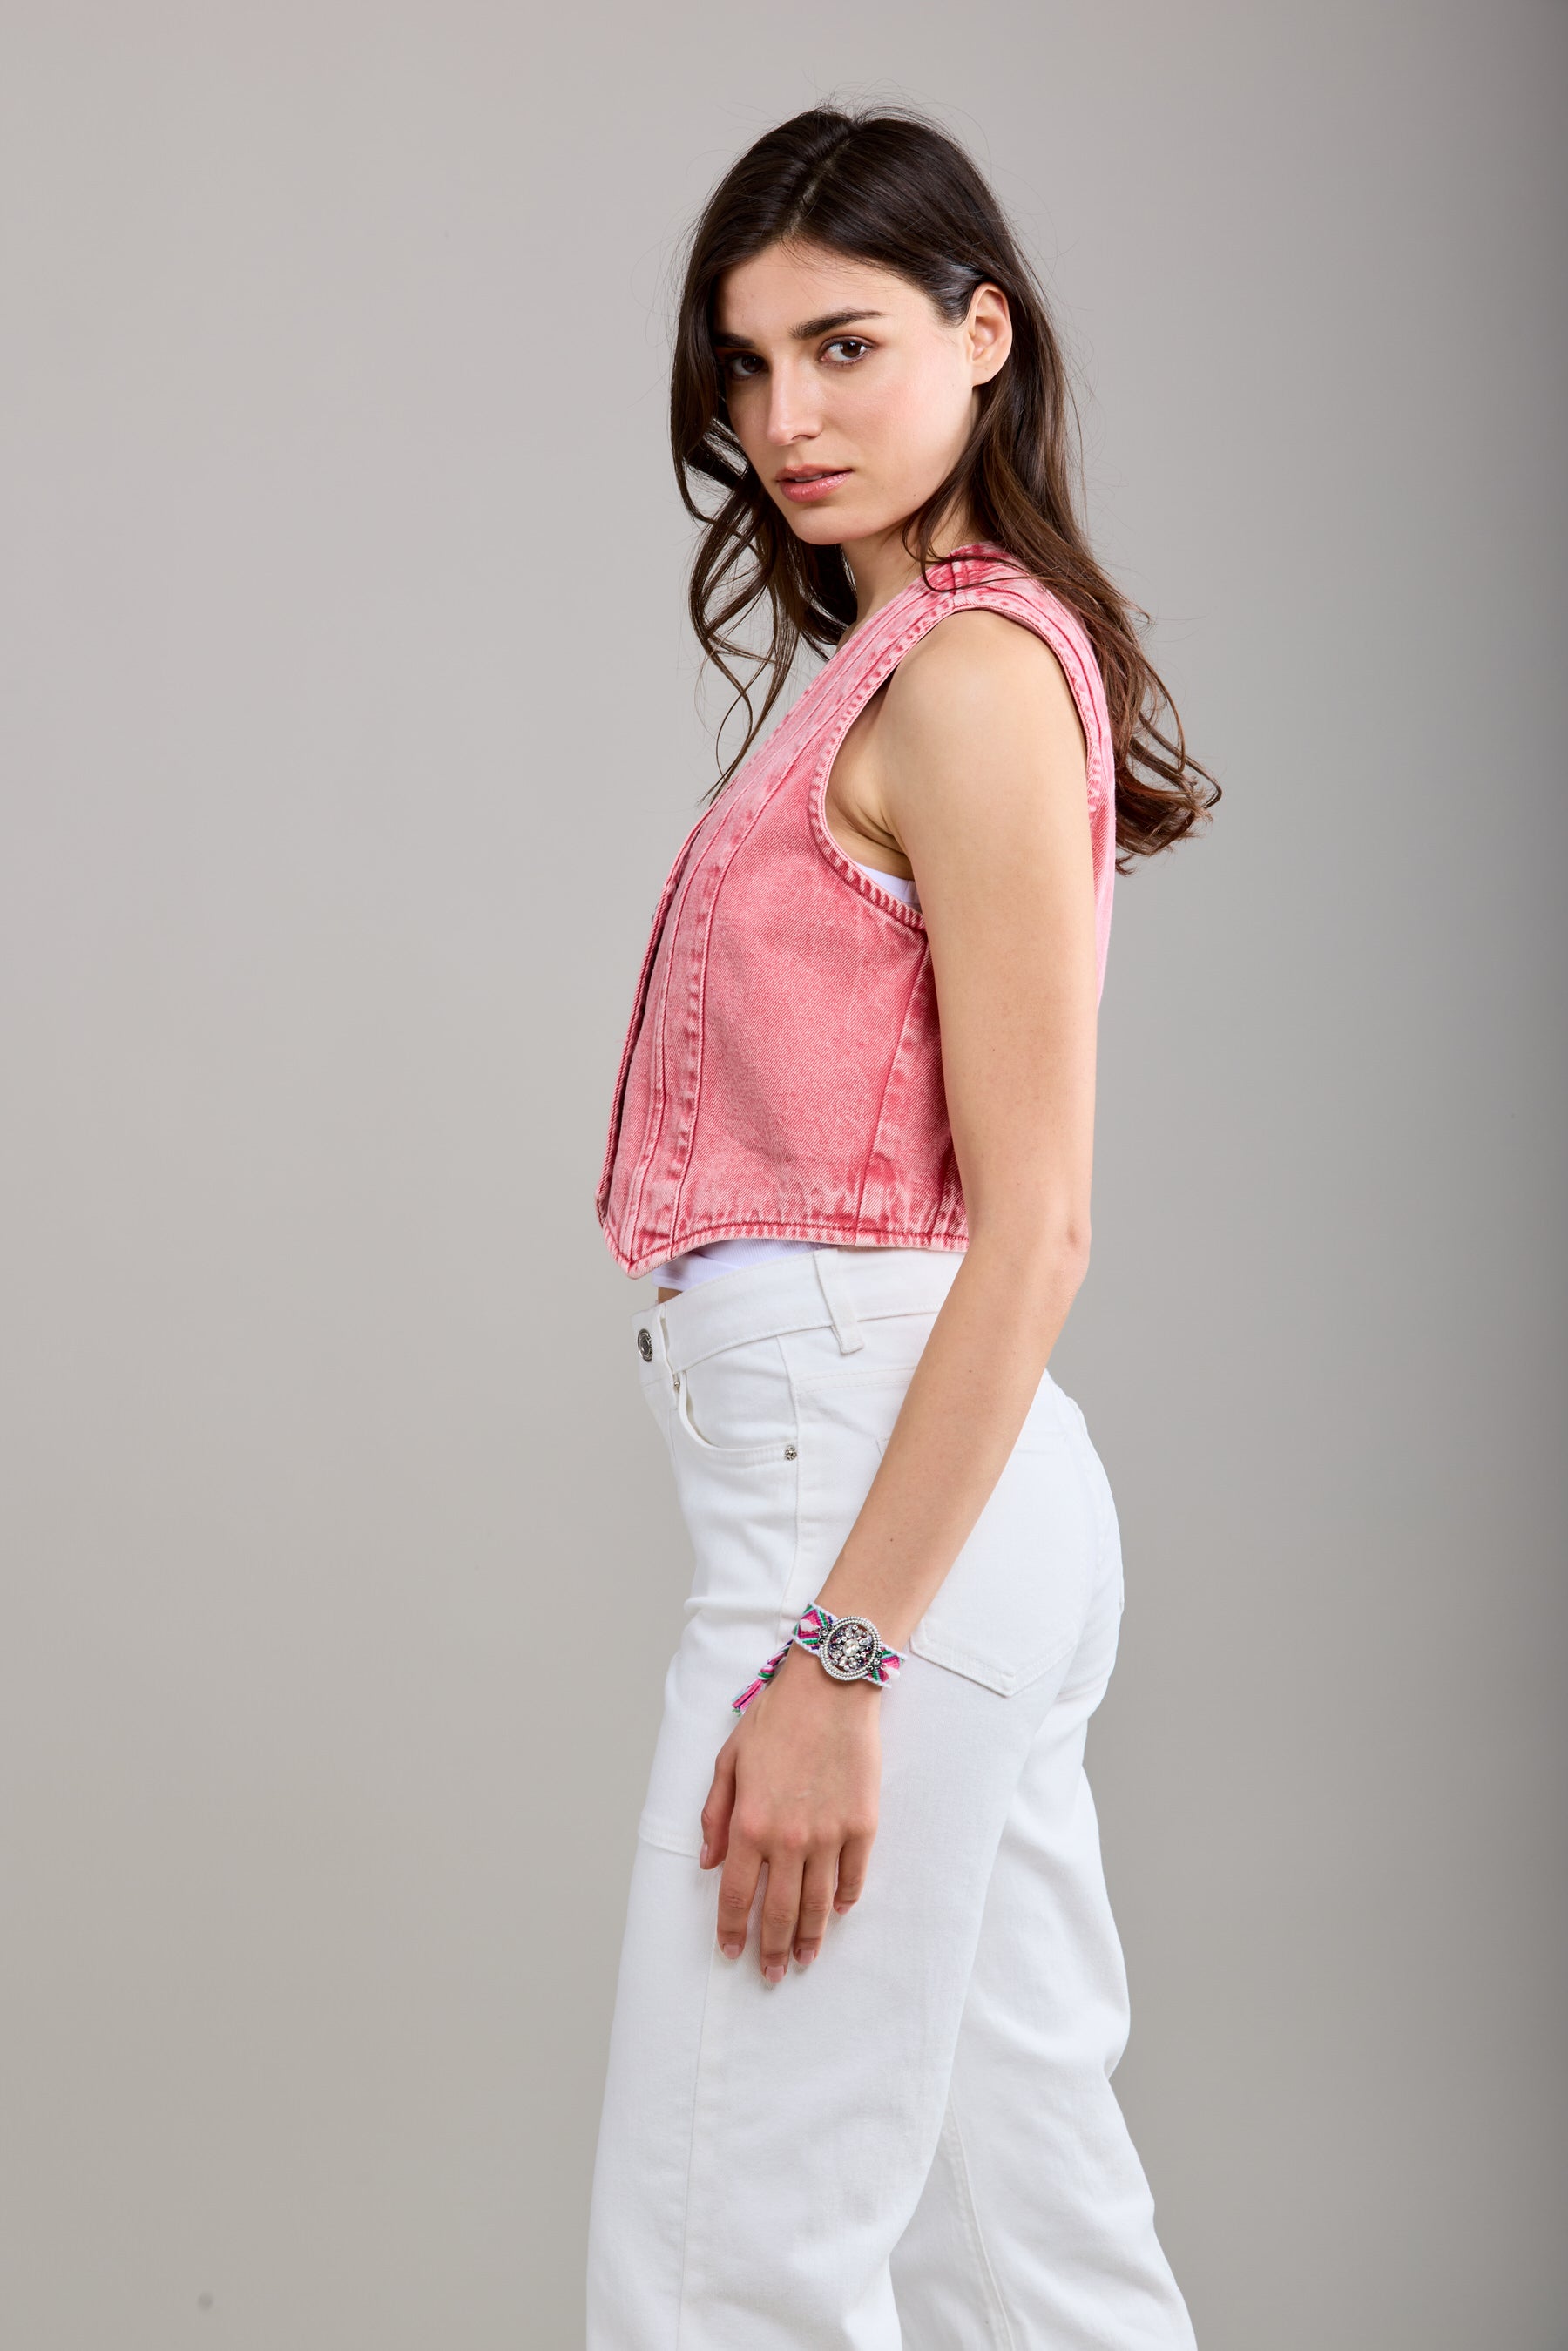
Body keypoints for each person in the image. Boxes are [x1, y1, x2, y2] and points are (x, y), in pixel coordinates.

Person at [585, 102, 1218, 2351]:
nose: (788, 417)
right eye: (748, 366)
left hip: (870, 1497)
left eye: (845, 346)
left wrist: (836, 1659)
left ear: (984, 334)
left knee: (720, 2262)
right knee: (1028, 2252)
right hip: (925, 1479)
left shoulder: (967, 671)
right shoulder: (900, 666)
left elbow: (1036, 1225)